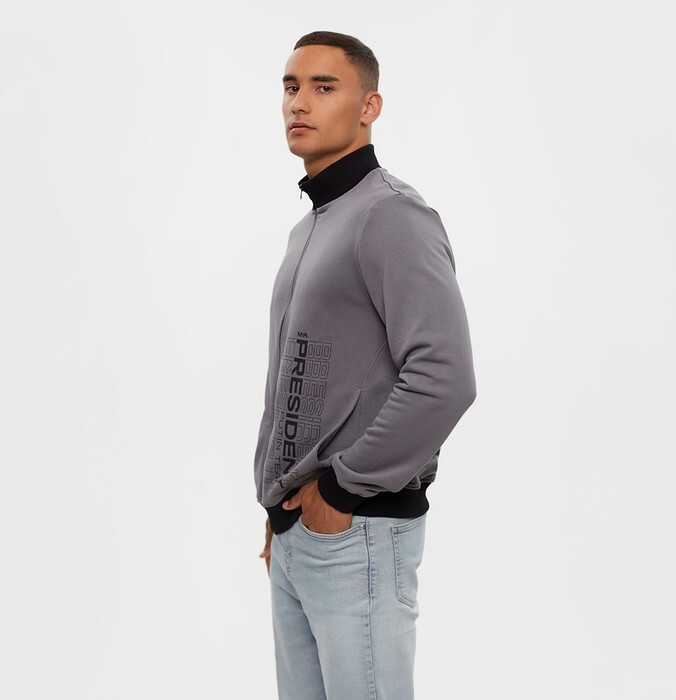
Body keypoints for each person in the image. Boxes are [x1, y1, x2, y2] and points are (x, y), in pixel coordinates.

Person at [254, 30, 476, 700]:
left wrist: (342, 491)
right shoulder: (310, 226)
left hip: (358, 534)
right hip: (298, 536)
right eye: (291, 87)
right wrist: (280, 502)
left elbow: (444, 378)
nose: (300, 102)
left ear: (369, 106)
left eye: (324, 87)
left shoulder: (392, 215)